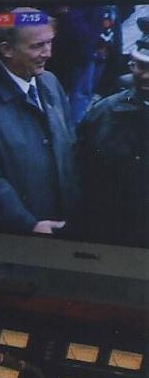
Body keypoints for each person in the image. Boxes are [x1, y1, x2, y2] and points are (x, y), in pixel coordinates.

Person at [0, 8, 80, 234]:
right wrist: (28, 224)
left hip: (63, 224)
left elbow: (70, 146)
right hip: (22, 233)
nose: (48, 53)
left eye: (50, 42)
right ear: (7, 49)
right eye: (37, 46)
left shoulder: (50, 82)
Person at [74, 18, 149, 246]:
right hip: (112, 236)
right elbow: (81, 173)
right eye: (141, 66)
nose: (145, 76)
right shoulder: (104, 114)